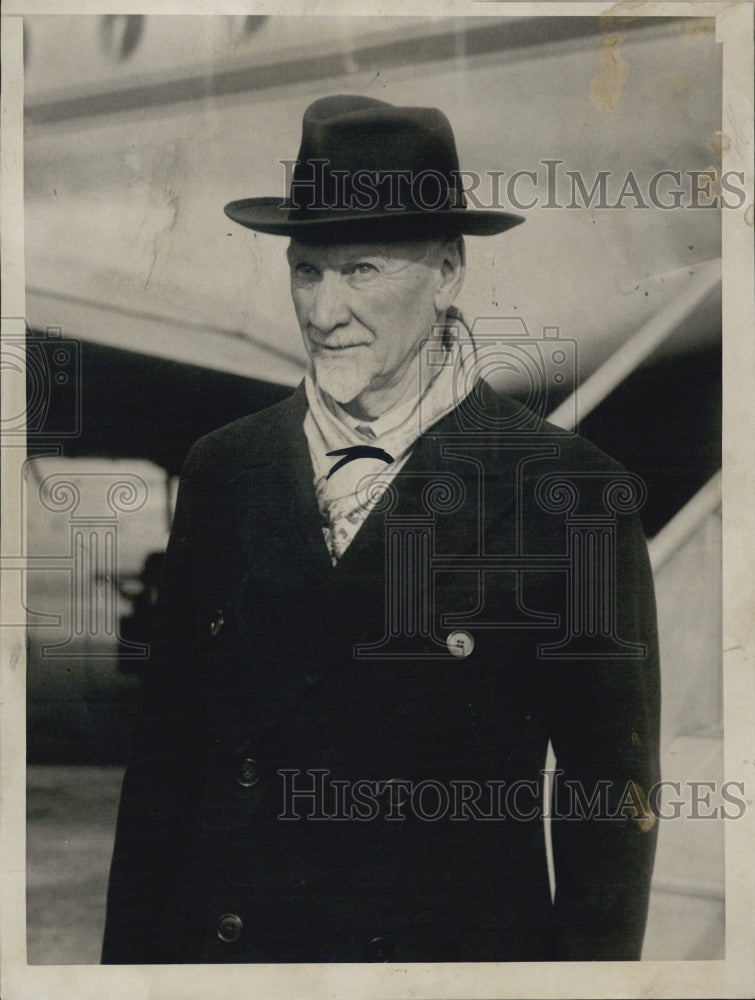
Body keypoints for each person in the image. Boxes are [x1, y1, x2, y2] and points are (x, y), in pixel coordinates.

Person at [102, 95, 660, 964]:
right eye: (306, 271)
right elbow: (162, 781)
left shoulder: (569, 494)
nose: (323, 312)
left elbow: (608, 810)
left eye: (360, 270)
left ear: (447, 272)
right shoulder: (224, 467)